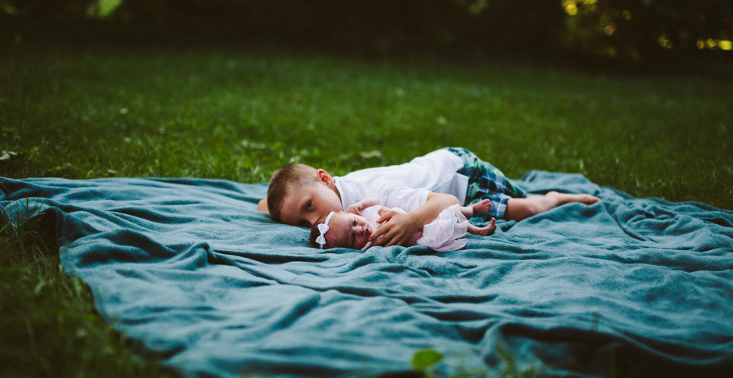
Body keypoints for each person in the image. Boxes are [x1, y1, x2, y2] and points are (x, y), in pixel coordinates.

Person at [257, 147, 600, 247]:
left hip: (461, 175)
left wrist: (411, 220)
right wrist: (274, 207)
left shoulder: (376, 190)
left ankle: (555, 197)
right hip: (447, 178)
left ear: (326, 179)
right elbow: (271, 204)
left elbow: (447, 203)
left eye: (309, 207)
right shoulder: (333, 207)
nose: (312, 221)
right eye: (301, 222)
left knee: (525, 207)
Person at [309, 197, 497, 251]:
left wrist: (360, 204)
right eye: (352, 239)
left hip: (414, 218)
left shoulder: (363, 213)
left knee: (450, 213)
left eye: (354, 223)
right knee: (447, 224)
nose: (359, 230)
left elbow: (376, 200)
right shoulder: (369, 246)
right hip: (421, 236)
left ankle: (471, 212)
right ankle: (478, 231)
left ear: (349, 213)